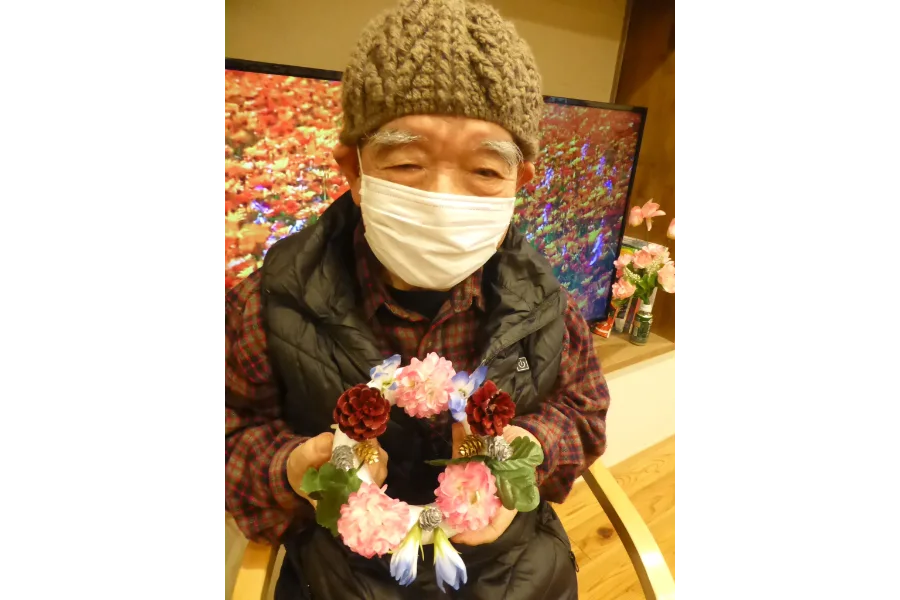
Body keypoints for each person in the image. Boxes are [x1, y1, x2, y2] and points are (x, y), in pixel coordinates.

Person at [224, 1, 610, 597]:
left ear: (520, 182)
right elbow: (234, 431)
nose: (442, 198)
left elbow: (583, 409)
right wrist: (294, 466)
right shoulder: (270, 303)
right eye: (407, 162)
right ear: (354, 169)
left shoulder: (544, 305)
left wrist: (529, 450)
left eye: (486, 170)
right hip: (342, 572)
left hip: (512, 569)